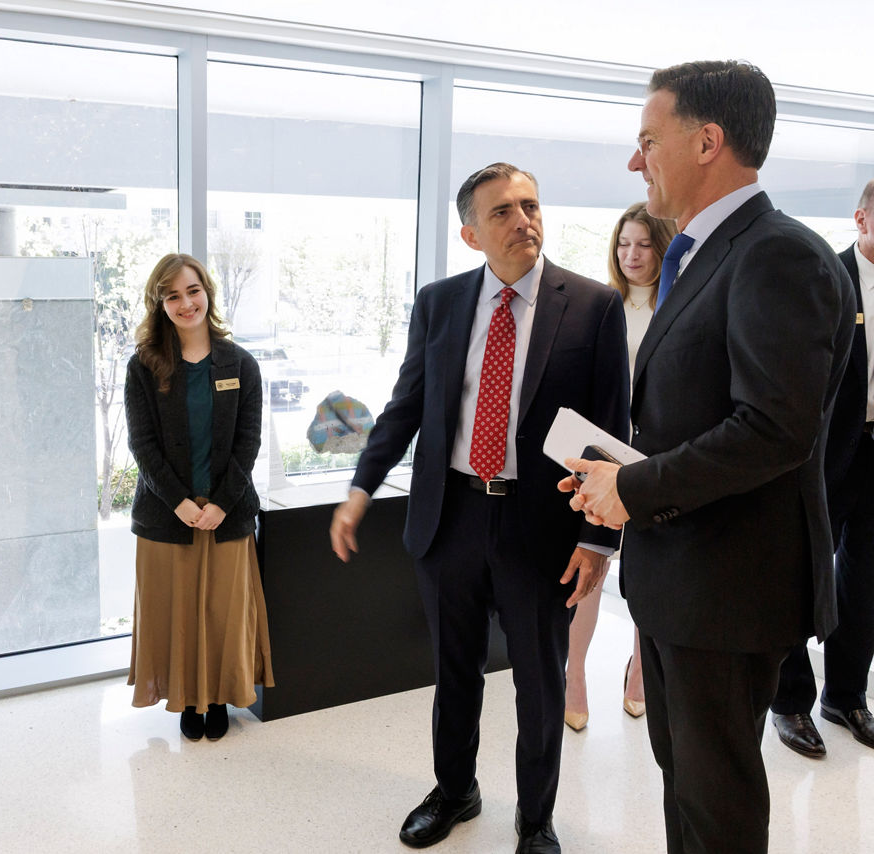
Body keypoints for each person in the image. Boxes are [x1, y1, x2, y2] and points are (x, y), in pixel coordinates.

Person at [563, 60, 854, 854]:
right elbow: (694, 412)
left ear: (706, 143)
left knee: (716, 802)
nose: (636, 161)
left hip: (729, 587)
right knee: (686, 784)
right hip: (680, 577)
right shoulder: (700, 253)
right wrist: (612, 478)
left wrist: (635, 487)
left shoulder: (777, 254)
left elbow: (774, 428)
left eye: (648, 141)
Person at [331, 163, 630, 853]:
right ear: (470, 234)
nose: (523, 220)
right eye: (502, 212)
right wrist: (360, 488)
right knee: (455, 671)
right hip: (451, 519)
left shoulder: (593, 306)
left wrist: (598, 540)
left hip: (541, 525)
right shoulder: (439, 303)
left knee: (540, 683)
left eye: (530, 205)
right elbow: (406, 405)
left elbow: (612, 429)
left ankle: (536, 819)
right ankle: (455, 790)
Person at [124, 253, 273, 741]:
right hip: (167, 515)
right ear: (160, 304)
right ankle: (187, 698)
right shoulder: (143, 365)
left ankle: (218, 697)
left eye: (192, 291)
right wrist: (180, 503)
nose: (185, 303)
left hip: (227, 514)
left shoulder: (241, 364)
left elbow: (248, 442)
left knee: (222, 613)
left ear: (207, 292)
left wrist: (221, 503)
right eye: (172, 296)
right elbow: (142, 444)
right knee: (178, 614)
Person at [563, 202, 676, 731]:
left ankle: (640, 672)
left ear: (664, 247)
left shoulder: (678, 305)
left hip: (656, 459)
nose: (632, 254)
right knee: (593, 562)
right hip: (603, 454)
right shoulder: (600, 305)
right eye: (624, 243)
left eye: (644, 244)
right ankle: (575, 674)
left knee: (648, 572)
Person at [772, 179, 874, 758]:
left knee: (865, 581)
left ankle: (846, 696)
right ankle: (789, 702)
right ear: (861, 219)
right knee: (800, 573)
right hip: (824, 451)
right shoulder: (827, 277)